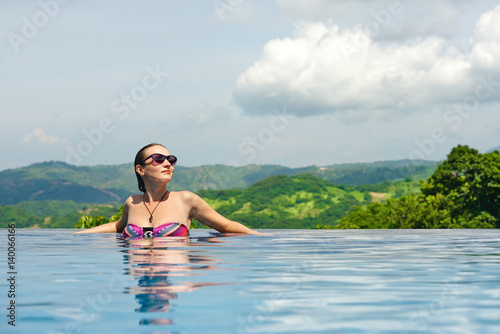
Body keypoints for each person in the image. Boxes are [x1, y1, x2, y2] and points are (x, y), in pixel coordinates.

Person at [76, 143, 258, 237]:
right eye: (158, 159)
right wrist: (78, 236)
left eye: (170, 160)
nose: (167, 164)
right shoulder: (132, 202)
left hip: (176, 279)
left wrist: (260, 237)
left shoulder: (186, 200)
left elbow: (225, 226)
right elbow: (117, 226)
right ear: (140, 169)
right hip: (139, 279)